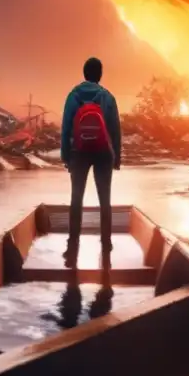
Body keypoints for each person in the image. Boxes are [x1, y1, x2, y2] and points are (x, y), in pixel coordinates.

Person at [60, 56, 122, 268]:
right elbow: (115, 129)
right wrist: (116, 157)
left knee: (76, 198)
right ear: (99, 75)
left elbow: (66, 127)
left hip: (79, 152)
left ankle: (72, 243)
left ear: (84, 74)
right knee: (105, 199)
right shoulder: (107, 97)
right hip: (104, 152)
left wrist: (66, 155)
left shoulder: (73, 96)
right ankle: (106, 243)